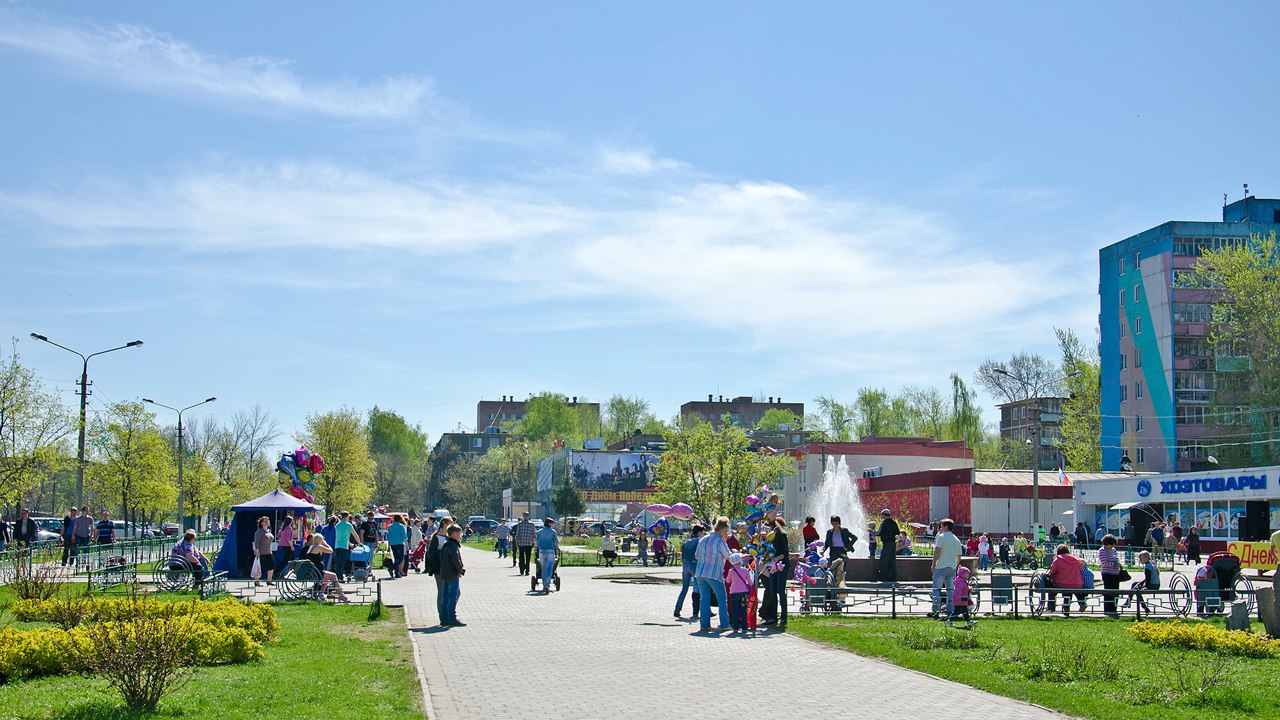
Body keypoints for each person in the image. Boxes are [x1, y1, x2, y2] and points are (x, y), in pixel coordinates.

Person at [694, 517, 732, 632]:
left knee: (704, 599)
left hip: (700, 572)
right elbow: (728, 556)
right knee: (722, 599)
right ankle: (725, 624)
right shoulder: (720, 542)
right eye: (725, 532)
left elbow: (696, 556)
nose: (726, 534)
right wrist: (741, 556)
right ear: (721, 530)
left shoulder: (703, 539)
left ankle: (704, 625)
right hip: (714, 573)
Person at [302, 533, 351, 602]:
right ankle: (341, 595)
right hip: (318, 572)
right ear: (320, 540)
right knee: (333, 576)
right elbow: (330, 551)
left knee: (326, 579)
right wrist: (325, 544)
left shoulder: (312, 547)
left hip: (313, 571)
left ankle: (321, 594)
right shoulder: (318, 547)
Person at [930, 519, 963, 618]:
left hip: (941, 566)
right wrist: (955, 565)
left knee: (937, 589)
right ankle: (950, 609)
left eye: (942, 526)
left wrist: (933, 564)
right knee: (950, 590)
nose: (940, 528)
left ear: (946, 527)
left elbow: (937, 551)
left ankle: (935, 611)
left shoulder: (941, 537)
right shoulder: (956, 539)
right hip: (952, 567)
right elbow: (959, 556)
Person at [763, 516, 790, 630]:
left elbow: (785, 553)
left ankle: (784, 616)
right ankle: (773, 616)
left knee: (781, 590)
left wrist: (775, 559)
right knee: (772, 590)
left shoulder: (782, 536)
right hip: (773, 566)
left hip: (781, 565)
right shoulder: (770, 539)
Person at [1045, 544, 1086, 616]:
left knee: (1052, 591)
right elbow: (1080, 568)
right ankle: (1073, 605)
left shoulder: (1057, 559)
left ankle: (1051, 607)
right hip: (1076, 583)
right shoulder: (1075, 559)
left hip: (1062, 583)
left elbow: (1052, 572)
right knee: (1070, 590)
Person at [437, 525, 466, 627]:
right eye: (459, 534)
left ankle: (444, 618)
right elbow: (456, 560)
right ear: (454, 534)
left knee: (445, 597)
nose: (460, 536)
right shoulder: (453, 545)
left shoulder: (446, 544)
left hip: (445, 573)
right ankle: (452, 618)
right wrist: (460, 569)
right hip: (452, 573)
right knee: (452, 596)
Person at [674, 525, 703, 618]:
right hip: (694, 564)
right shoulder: (699, 541)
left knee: (684, 589)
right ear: (699, 532)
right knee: (701, 588)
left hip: (685, 564)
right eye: (702, 532)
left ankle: (677, 609)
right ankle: (703, 609)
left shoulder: (687, 541)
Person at [823, 516, 857, 587]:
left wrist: (847, 547)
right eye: (833, 523)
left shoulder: (844, 531)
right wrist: (823, 550)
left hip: (842, 551)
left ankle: (842, 584)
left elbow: (854, 538)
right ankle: (833, 584)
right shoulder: (829, 532)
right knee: (832, 569)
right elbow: (827, 543)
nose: (834, 525)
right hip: (833, 551)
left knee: (842, 568)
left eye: (836, 523)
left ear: (839, 523)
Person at [726, 552, 754, 633]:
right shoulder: (745, 570)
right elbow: (750, 582)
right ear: (740, 561)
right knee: (743, 609)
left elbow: (728, 581)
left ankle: (736, 626)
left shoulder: (731, 571)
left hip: (733, 593)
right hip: (743, 593)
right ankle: (745, 626)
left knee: (735, 610)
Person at [1098, 534, 1122, 617]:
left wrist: (1118, 564)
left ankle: (1114, 608)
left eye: (1113, 544)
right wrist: (1113, 564)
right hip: (1107, 574)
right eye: (1111, 544)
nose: (1112, 546)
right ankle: (1108, 609)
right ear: (1106, 543)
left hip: (1115, 573)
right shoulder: (1102, 550)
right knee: (1108, 592)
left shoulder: (1114, 550)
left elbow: (1116, 559)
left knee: (1115, 592)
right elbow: (1104, 563)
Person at [536, 517, 559, 594]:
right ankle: (547, 586)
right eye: (552, 523)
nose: (553, 525)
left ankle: (544, 585)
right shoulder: (553, 532)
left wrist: (536, 548)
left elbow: (537, 542)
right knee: (549, 569)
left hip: (542, 551)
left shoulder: (539, 532)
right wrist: (557, 547)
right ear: (549, 523)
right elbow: (556, 542)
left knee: (543, 569)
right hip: (550, 551)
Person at [332, 512, 356, 581]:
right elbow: (354, 534)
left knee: (338, 562)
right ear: (347, 516)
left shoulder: (337, 525)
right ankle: (338, 577)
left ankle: (339, 576)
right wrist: (359, 542)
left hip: (337, 545)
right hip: (344, 546)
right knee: (341, 562)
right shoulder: (348, 525)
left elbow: (340, 536)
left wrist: (349, 543)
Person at [253, 515, 275, 586]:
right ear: (261, 523)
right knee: (259, 567)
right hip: (261, 552)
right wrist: (257, 550)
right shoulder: (259, 532)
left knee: (271, 567)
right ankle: (256, 581)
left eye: (267, 521)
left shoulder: (269, 531)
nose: (267, 523)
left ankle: (269, 580)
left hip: (269, 552)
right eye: (265, 521)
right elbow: (256, 541)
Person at [878, 509, 899, 583]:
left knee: (884, 561)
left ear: (883, 515)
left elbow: (879, 533)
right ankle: (893, 578)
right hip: (893, 544)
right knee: (892, 561)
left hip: (886, 544)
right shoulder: (893, 522)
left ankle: (883, 578)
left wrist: (873, 532)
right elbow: (897, 532)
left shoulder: (884, 522)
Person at [387, 514, 408, 579]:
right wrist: (407, 545)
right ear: (399, 519)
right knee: (400, 558)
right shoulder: (401, 526)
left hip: (393, 544)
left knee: (396, 558)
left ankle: (396, 573)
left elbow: (389, 537)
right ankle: (391, 568)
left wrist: (388, 546)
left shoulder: (390, 526)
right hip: (400, 543)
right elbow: (404, 536)